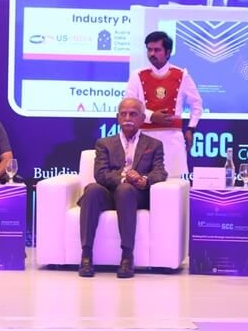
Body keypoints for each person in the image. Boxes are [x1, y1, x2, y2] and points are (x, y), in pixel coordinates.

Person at [78, 98, 167, 279]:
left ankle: (127, 257)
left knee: (125, 190)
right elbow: (101, 174)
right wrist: (125, 178)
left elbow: (160, 172)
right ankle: (86, 256)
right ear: (117, 117)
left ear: (142, 118)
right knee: (92, 190)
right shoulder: (104, 143)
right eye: (123, 114)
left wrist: (143, 180)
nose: (127, 118)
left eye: (133, 114)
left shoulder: (154, 144)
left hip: (135, 196)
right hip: (110, 193)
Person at [125, 31, 202, 178]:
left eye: (157, 50)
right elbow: (129, 105)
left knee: (173, 182)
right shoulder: (137, 75)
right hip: (144, 137)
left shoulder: (181, 75)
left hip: (172, 138)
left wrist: (191, 129)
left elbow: (197, 104)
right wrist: (151, 116)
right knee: (142, 180)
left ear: (168, 52)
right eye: (149, 49)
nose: (152, 54)